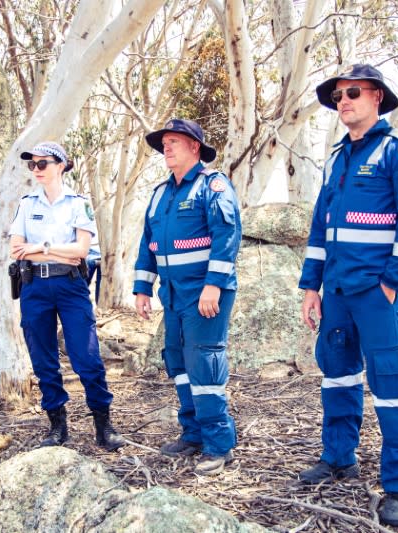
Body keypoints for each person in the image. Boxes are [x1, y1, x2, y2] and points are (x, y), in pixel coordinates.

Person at [297, 64, 398, 527]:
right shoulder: (337, 158)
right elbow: (321, 227)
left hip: (378, 295)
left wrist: (393, 283)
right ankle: (338, 458)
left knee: (394, 388)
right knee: (337, 377)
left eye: (352, 93)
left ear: (377, 96)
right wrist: (310, 286)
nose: (344, 102)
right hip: (335, 292)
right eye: (338, 96)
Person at [133, 119, 242, 476]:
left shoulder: (213, 186)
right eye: (164, 142)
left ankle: (218, 443)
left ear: (195, 147)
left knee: (204, 363)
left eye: (174, 141)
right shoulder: (160, 193)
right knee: (178, 362)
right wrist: (142, 288)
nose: (166, 147)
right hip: (174, 295)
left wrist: (213, 284)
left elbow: (227, 236)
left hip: (205, 294)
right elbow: (148, 244)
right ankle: (192, 432)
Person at [9, 141, 125, 451]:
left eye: (42, 163)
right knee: (43, 359)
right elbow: (18, 250)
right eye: (32, 165)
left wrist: (40, 248)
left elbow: (80, 253)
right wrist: (49, 251)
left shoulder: (78, 204)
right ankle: (57, 427)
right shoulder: (26, 204)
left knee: (86, 357)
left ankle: (104, 425)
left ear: (61, 165)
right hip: (34, 288)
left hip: (71, 287)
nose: (36, 170)